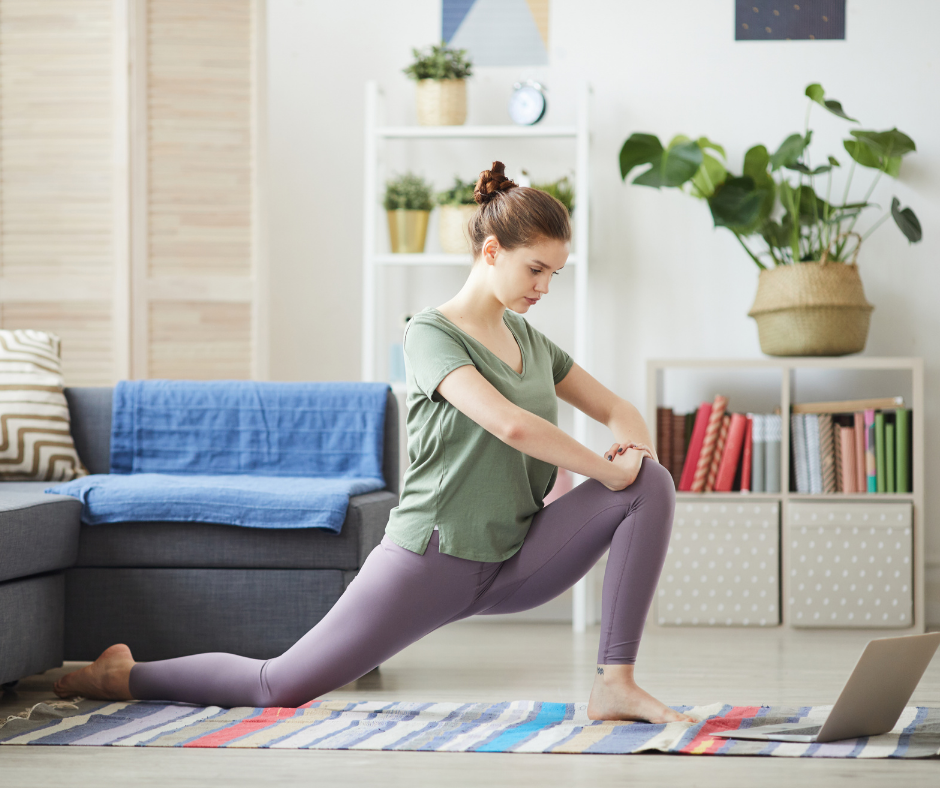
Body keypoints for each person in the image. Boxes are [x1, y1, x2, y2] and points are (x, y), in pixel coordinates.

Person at [54, 161, 692, 724]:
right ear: (492, 251)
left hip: (516, 556)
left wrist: (629, 454)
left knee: (650, 484)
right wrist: (602, 472)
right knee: (277, 685)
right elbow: (509, 424)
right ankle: (123, 675)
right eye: (536, 269)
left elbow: (617, 408)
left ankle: (616, 683)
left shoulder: (531, 342)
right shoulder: (431, 335)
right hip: (430, 560)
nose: (545, 288)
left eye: (555, 272)